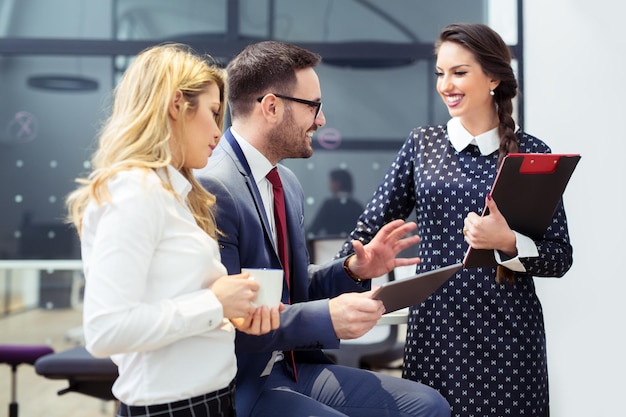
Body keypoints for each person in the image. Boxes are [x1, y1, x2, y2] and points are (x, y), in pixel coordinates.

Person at [195, 40, 450, 417]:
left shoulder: (288, 185)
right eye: (313, 106)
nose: (321, 120)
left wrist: (352, 270)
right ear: (271, 106)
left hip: (291, 365)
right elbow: (234, 318)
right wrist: (327, 316)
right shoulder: (215, 186)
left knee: (428, 406)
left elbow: (290, 289)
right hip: (242, 379)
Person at [336, 23, 573, 417]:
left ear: (494, 77)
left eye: (459, 72)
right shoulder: (422, 145)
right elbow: (365, 234)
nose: (446, 84)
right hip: (437, 336)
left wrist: (507, 242)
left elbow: (559, 256)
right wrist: (355, 264)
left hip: (509, 338)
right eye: (440, 73)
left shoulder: (532, 153)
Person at [65, 43, 281, 417]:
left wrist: (230, 312)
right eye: (213, 113)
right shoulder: (134, 191)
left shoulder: (175, 195)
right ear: (176, 104)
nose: (219, 131)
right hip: (171, 407)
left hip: (212, 397)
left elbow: (170, 301)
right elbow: (106, 331)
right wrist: (215, 303)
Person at [307, 168, 365, 238]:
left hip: (331, 246)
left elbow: (314, 229)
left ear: (337, 183)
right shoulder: (356, 206)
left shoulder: (329, 205)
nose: (329, 184)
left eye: (331, 181)